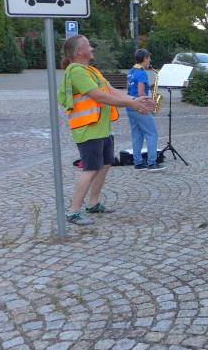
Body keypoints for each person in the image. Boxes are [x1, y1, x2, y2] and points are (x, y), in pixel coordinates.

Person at [57, 35, 155, 225]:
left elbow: (110, 91)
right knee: (91, 169)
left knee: (105, 164)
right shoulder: (76, 71)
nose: (92, 48)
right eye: (88, 45)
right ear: (79, 51)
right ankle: (73, 211)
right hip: (88, 128)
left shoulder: (91, 71)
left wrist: (135, 100)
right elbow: (99, 96)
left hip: (101, 128)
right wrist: (131, 104)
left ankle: (93, 204)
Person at [127, 49, 166, 172]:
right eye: (149, 58)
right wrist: (151, 102)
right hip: (141, 107)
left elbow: (134, 89)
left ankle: (138, 163)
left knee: (137, 135)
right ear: (144, 59)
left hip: (130, 107)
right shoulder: (142, 73)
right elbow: (140, 93)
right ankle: (152, 163)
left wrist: (151, 86)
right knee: (152, 134)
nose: (150, 60)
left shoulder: (131, 71)